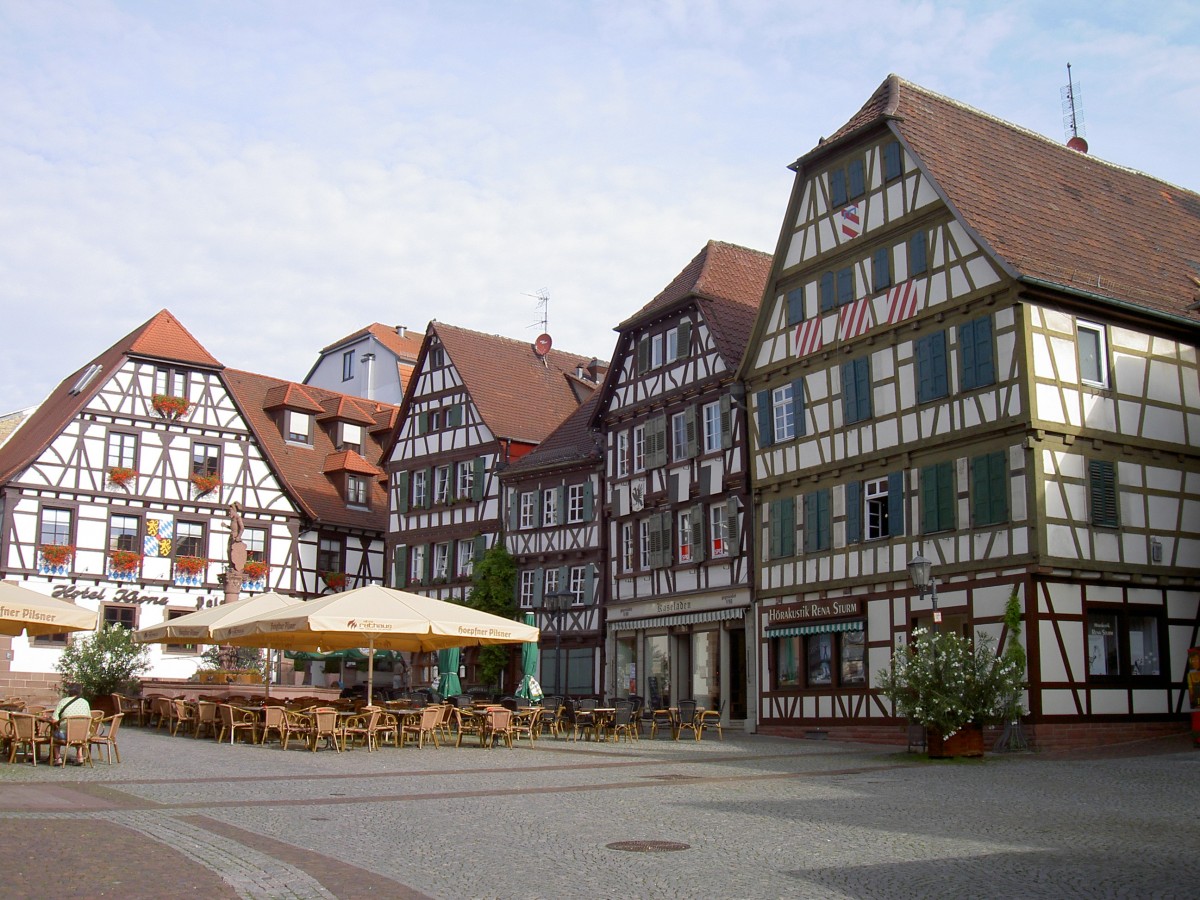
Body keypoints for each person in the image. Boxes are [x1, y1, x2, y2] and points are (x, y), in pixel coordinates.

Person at [51, 683, 91, 765]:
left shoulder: (63, 702)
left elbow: (54, 720)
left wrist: (58, 724)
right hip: (82, 735)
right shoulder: (85, 702)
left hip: (65, 735)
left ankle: (57, 758)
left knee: (54, 734)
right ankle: (79, 756)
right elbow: (89, 718)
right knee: (79, 731)